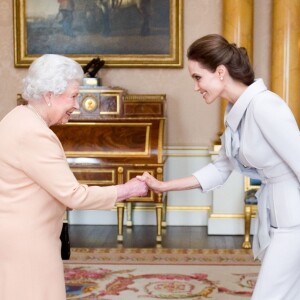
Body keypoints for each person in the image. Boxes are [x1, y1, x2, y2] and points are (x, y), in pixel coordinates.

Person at [137, 34, 300, 300]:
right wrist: (163, 186)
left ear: (220, 72)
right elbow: (220, 168)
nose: (195, 86)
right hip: (277, 216)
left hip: (294, 220)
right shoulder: (236, 111)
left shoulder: (264, 106)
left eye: (197, 77)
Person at [0, 54, 148, 300]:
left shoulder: (16, 118)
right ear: (49, 95)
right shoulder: (34, 134)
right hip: (29, 243)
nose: (77, 105)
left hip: (15, 237)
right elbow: (74, 195)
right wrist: (128, 189)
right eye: (73, 96)